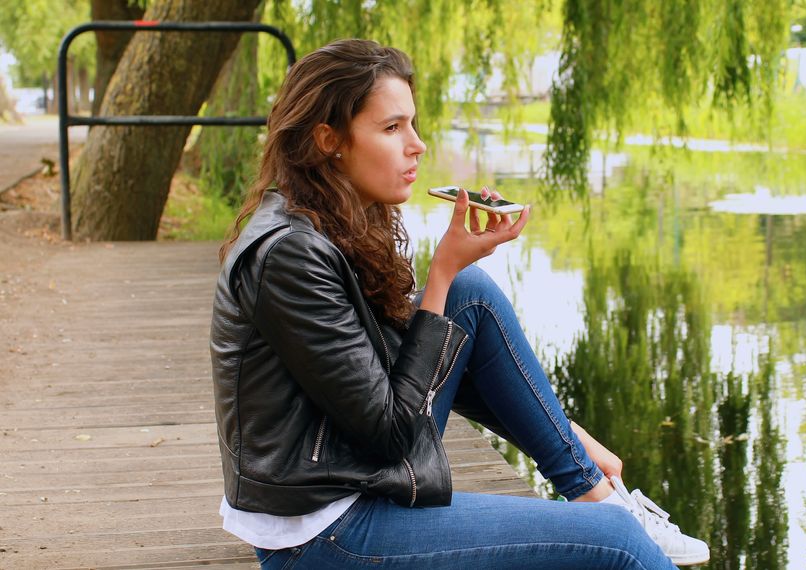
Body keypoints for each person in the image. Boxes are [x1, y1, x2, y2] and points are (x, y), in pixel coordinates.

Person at [210, 38, 710, 569]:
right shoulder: (291, 256)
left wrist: (574, 440)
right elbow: (390, 433)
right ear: (329, 139)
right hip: (320, 532)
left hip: (347, 469)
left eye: (413, 124)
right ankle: (613, 516)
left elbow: (407, 369)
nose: (417, 145)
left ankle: (592, 491)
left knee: (471, 297)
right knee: (618, 543)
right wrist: (442, 269)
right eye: (391, 127)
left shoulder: (330, 220)